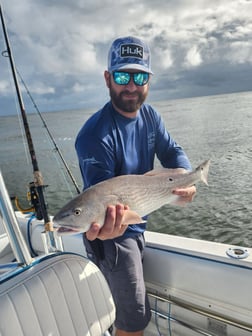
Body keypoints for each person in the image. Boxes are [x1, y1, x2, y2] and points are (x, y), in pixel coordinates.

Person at [75, 36, 196, 336]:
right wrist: (103, 230)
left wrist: (187, 178)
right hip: (116, 239)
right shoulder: (94, 136)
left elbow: (172, 151)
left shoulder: (151, 116)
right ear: (107, 78)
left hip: (139, 221)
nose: (131, 86)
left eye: (139, 76)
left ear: (149, 80)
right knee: (134, 323)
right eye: (121, 76)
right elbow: (102, 209)